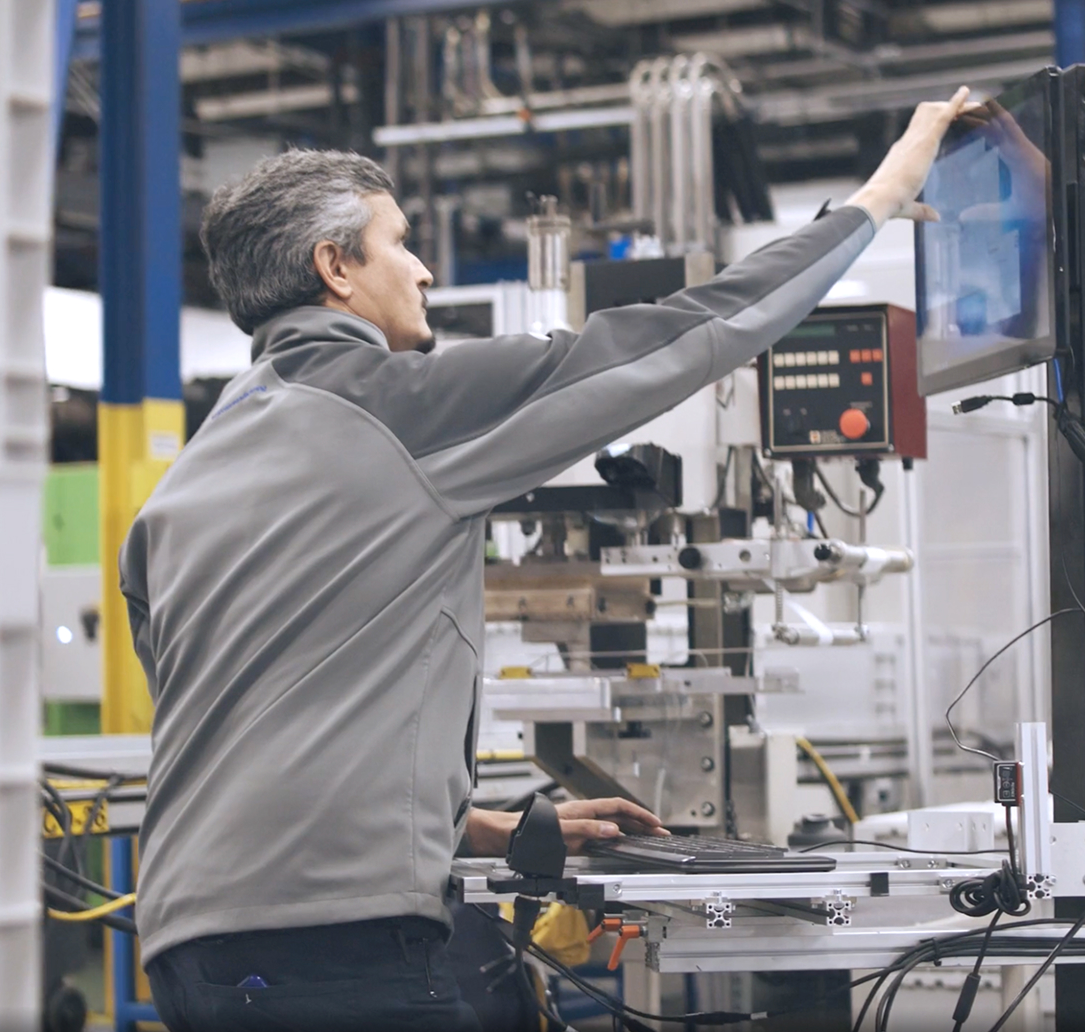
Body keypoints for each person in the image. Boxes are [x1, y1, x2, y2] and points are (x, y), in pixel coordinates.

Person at [119, 85, 974, 1032]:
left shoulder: (192, 469)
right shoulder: (401, 404)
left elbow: (247, 713)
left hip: (193, 947)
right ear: (336, 267)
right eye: (401, 242)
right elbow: (690, 335)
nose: (427, 270)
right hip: (331, 951)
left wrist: (456, 829)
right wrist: (885, 192)